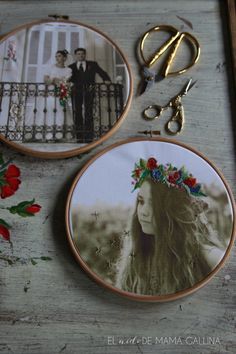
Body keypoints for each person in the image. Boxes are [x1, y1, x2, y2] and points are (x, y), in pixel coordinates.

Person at [115, 157, 225, 296]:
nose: (143, 211)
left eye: (154, 203)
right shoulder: (137, 256)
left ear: (173, 210)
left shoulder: (208, 256)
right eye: (141, 201)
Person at [69, 48, 111, 142]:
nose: (80, 55)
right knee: (77, 113)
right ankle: (79, 136)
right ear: (76, 56)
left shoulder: (92, 64)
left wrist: (106, 79)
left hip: (89, 90)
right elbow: (68, 79)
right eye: (78, 54)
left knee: (89, 112)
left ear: (85, 55)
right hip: (76, 92)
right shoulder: (71, 67)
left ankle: (89, 137)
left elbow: (102, 72)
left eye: (82, 54)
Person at [43, 50, 73, 138]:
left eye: (59, 56)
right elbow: (46, 80)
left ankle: (59, 135)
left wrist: (57, 81)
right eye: (56, 56)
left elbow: (65, 81)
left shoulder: (68, 70)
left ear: (64, 58)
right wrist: (53, 80)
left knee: (60, 114)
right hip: (51, 94)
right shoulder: (50, 68)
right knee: (50, 113)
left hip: (62, 94)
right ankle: (49, 136)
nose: (57, 58)